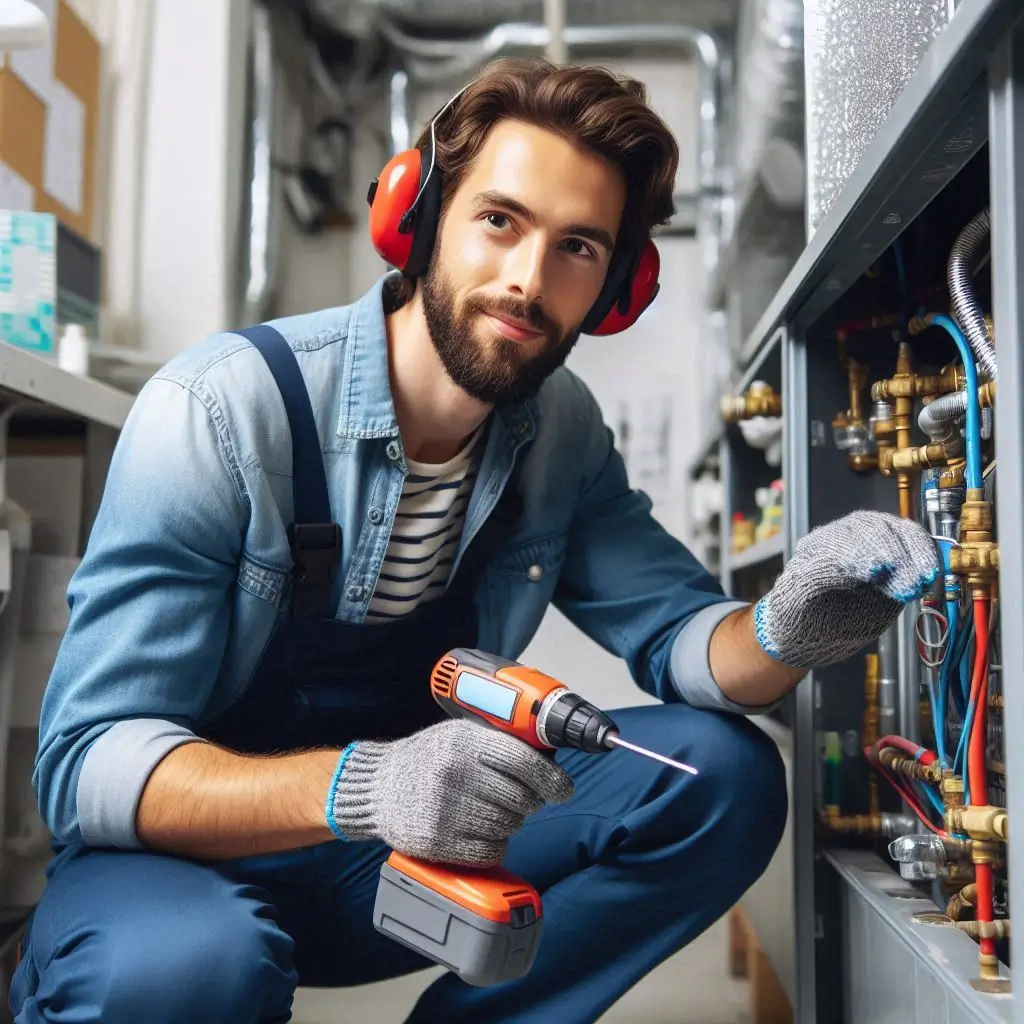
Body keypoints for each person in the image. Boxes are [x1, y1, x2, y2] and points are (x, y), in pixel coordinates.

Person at [13, 58, 938, 1024]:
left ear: (616, 291)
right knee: (187, 973)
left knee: (725, 779)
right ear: (419, 220)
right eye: (501, 220)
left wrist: (789, 627)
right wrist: (367, 783)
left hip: (383, 865)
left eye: (579, 247)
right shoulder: (220, 411)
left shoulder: (561, 433)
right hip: (181, 867)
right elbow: (85, 766)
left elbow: (679, 638)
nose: (528, 282)